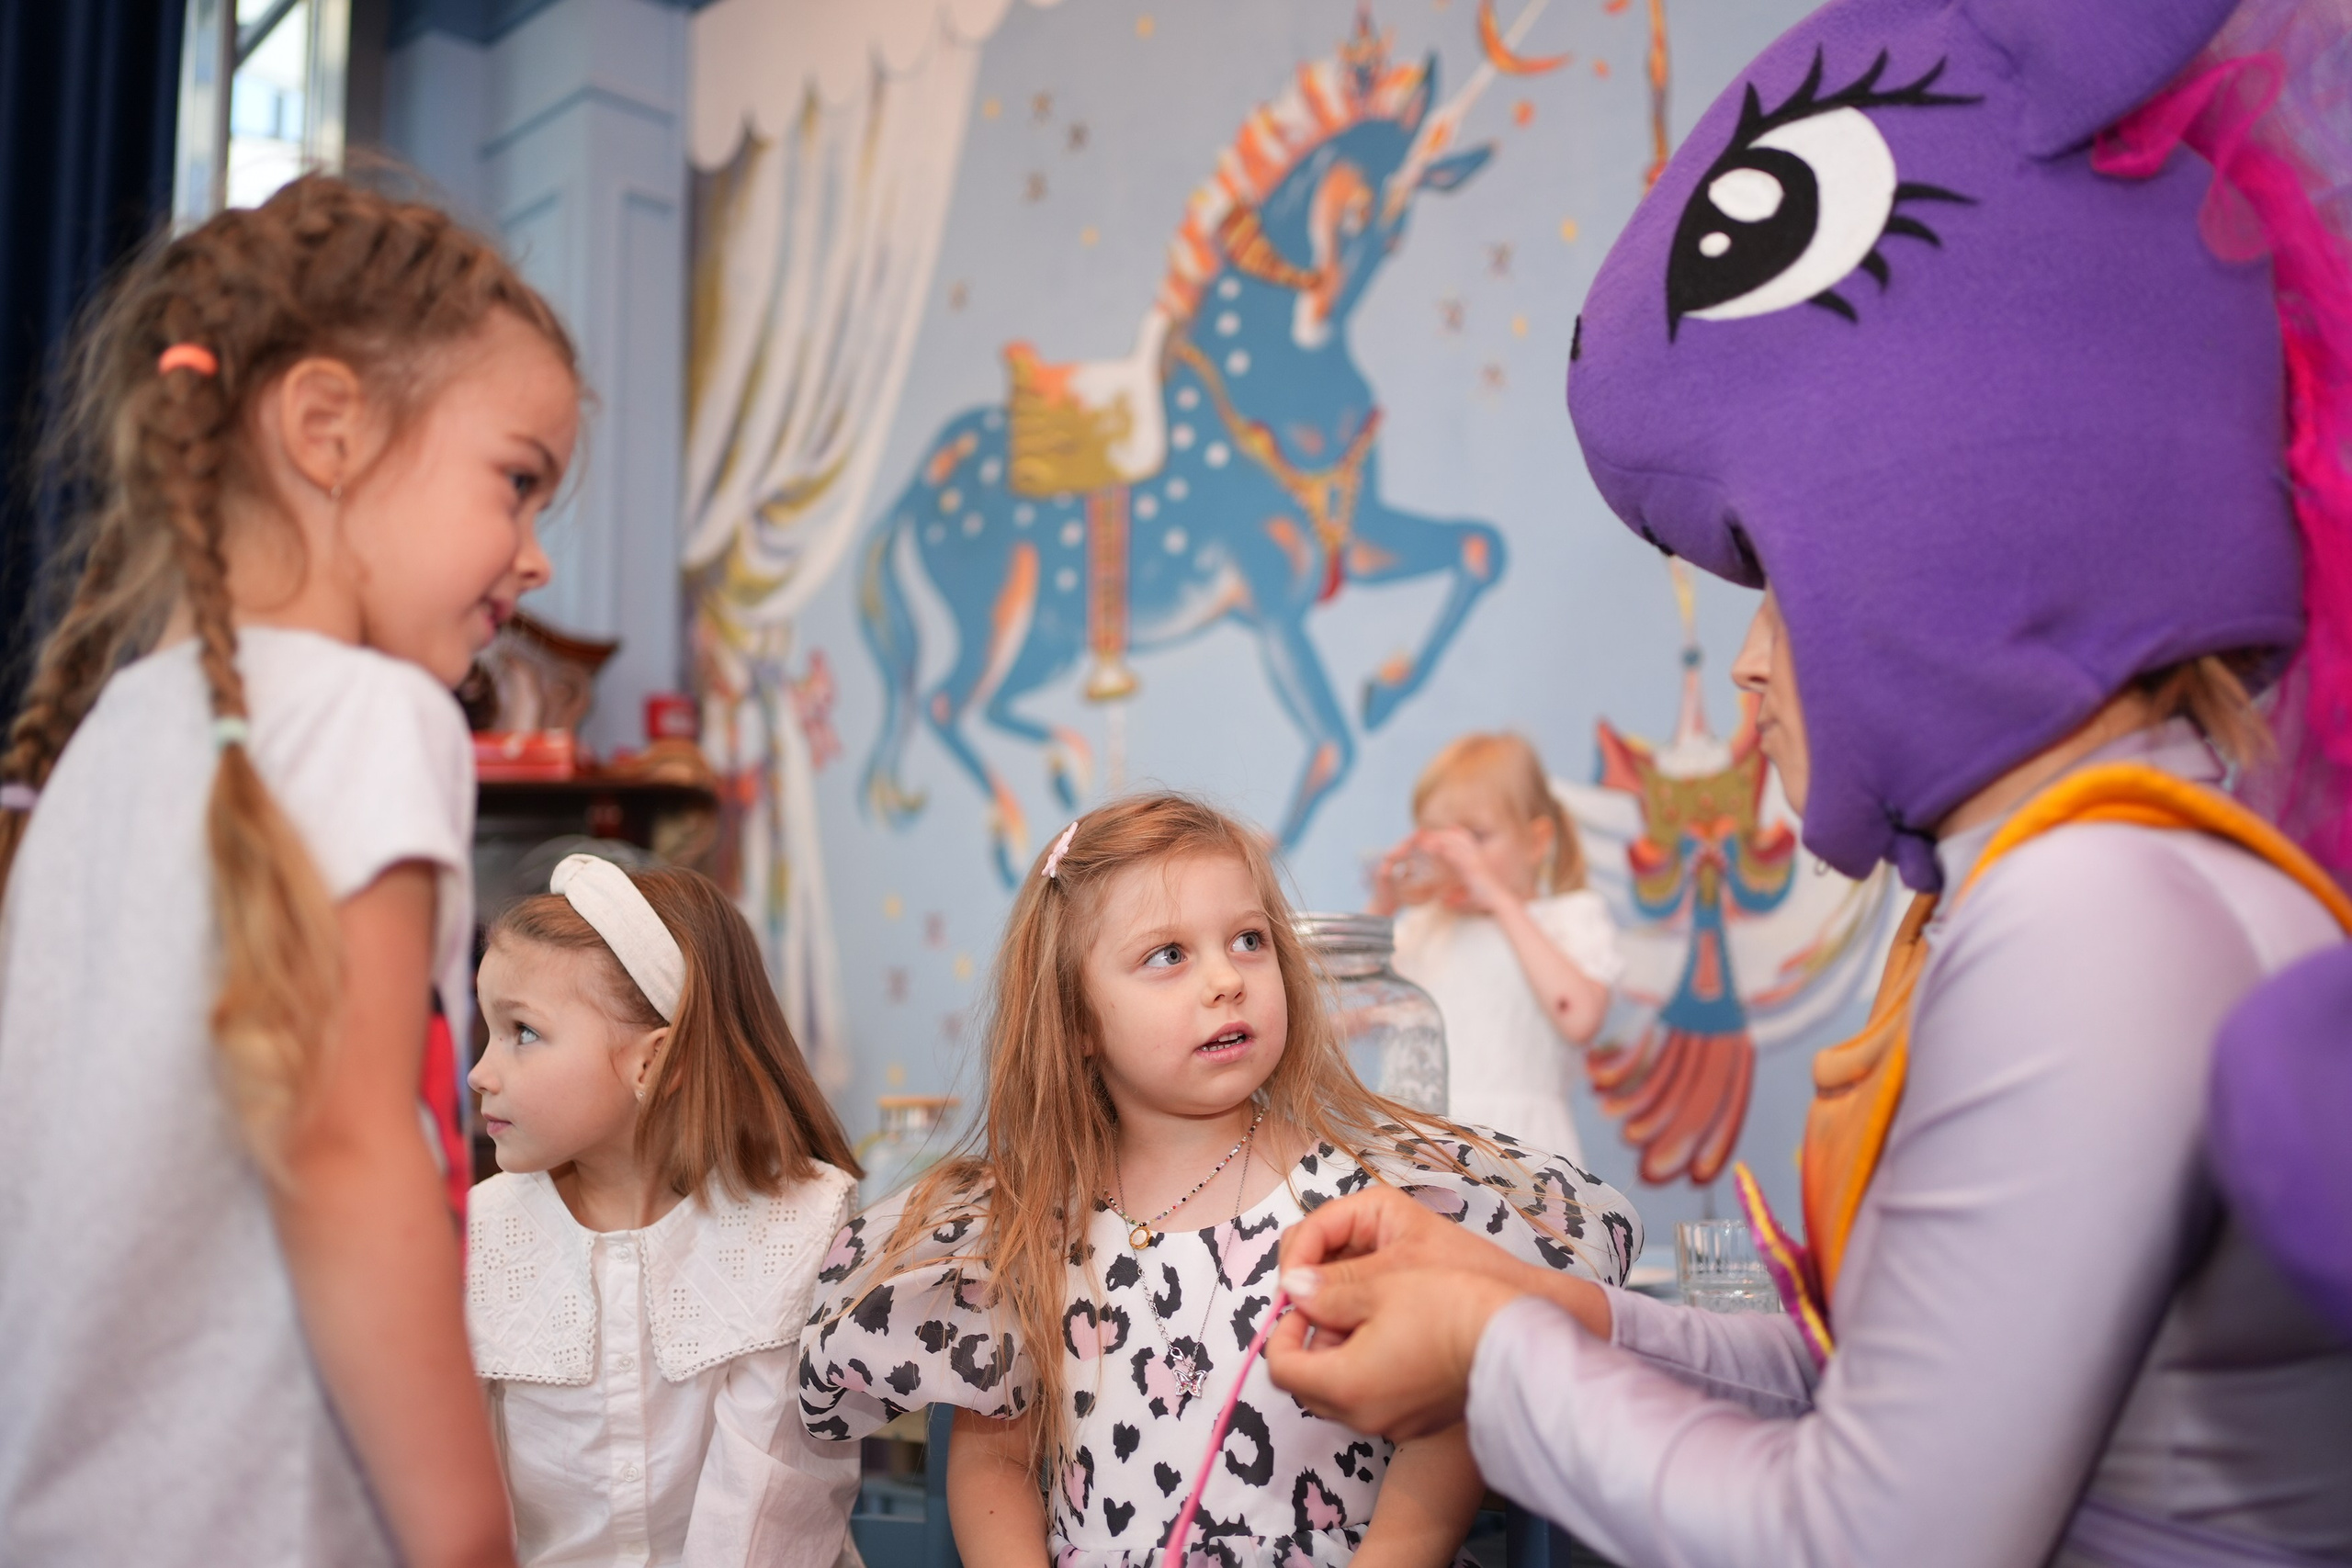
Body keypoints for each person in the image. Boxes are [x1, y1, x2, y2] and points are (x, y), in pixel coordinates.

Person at [1263, 0, 2352, 1562]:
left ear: (1946, 506)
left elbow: (1871, 1536)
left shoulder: (2086, 920)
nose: (1755, 669)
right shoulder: (2100, 881)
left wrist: (1492, 1365)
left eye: (1775, 577)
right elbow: (1879, 1390)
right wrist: (1524, 1297)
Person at [0, 176, 579, 1566]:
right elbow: (345, 1141)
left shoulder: (96, 750)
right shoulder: (371, 716)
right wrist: (467, 1536)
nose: (538, 554)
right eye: (517, 479)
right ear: (327, 429)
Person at [797, 794, 1642, 1568]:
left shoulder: (1365, 1205)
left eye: (1249, 940)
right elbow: (996, 1456)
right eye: (1168, 954)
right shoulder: (1022, 1229)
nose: (1226, 977)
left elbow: (1444, 1425)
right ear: (1078, 1018)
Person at [466, 856, 864, 1568]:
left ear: (654, 1062)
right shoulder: (481, 1234)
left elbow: (762, 1522)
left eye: (522, 1031)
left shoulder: (791, 1229)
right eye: (488, 1030)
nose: (479, 1071)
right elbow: (458, 1507)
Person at [1370, 732, 1621, 1168]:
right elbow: (1341, 1015)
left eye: (1476, 837)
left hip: (1525, 1155)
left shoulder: (1565, 920)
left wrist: (1501, 901)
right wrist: (1383, 906)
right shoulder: (1421, 928)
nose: (1457, 857)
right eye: (1440, 841)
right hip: (1422, 1149)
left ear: (1536, 842)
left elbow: (1579, 1017)